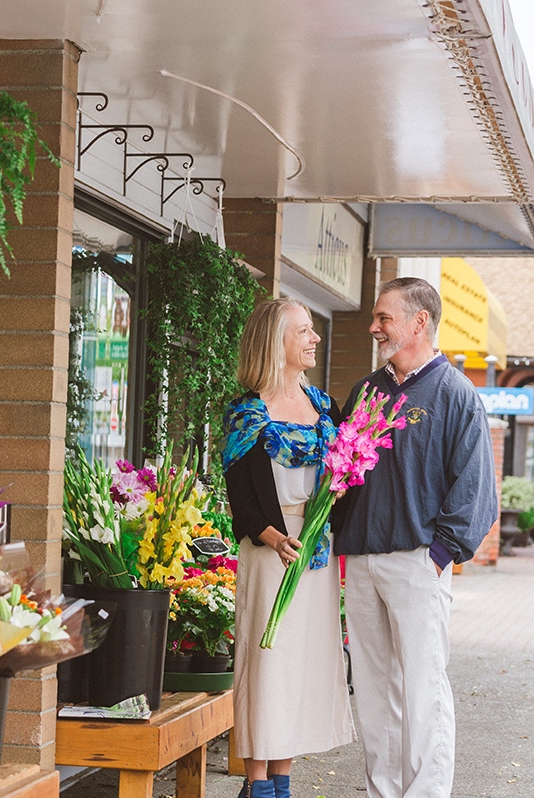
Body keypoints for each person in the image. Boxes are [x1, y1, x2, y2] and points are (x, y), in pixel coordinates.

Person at [335, 277, 497, 798]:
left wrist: (439, 555)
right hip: (361, 561)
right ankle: (383, 791)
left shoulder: (456, 394)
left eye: (384, 317)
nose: (374, 326)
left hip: (416, 563)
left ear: (419, 321)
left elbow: (475, 489)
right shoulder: (365, 391)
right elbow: (339, 473)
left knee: (423, 689)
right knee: (375, 691)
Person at [222, 298, 355, 798]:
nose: (314, 338)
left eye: (314, 330)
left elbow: (345, 477)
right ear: (276, 342)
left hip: (315, 553)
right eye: (304, 331)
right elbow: (240, 498)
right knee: (267, 661)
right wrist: (274, 538)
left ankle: (283, 777)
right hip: (269, 554)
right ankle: (257, 784)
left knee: (300, 664)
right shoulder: (246, 414)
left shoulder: (324, 408)